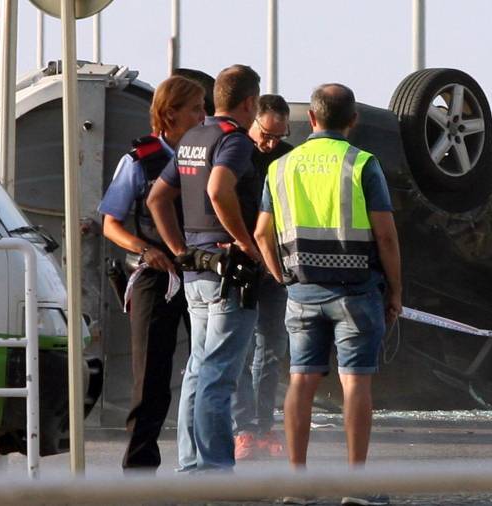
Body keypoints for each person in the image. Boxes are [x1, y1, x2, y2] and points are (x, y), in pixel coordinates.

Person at [255, 83, 401, 506]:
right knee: (355, 383)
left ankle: (296, 484)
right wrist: (396, 289)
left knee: (301, 380)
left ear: (313, 119)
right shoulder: (362, 164)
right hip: (357, 292)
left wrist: (280, 275)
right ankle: (356, 486)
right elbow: (386, 236)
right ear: (352, 121)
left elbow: (262, 233)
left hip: (302, 291)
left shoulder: (281, 166)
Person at [147, 64, 263, 472]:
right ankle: (215, 470)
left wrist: (180, 247)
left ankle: (192, 464)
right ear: (250, 103)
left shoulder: (193, 137)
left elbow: (157, 199)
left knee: (197, 369)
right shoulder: (234, 140)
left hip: (195, 270)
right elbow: (218, 189)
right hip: (228, 274)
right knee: (218, 374)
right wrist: (247, 244)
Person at [97, 75, 206, 471]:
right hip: (154, 277)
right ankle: (140, 468)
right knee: (152, 377)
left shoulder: (207, 155)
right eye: (195, 109)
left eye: (204, 107)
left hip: (201, 273)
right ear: (169, 113)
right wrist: (146, 249)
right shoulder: (139, 160)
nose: (203, 115)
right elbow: (111, 223)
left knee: (208, 368)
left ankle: (203, 462)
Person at [231, 95, 294, 460]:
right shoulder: (236, 150)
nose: (269, 143)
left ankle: (265, 424)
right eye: (265, 135)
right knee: (240, 348)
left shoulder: (287, 156)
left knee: (272, 347)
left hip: (275, 265)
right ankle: (244, 429)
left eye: (277, 136)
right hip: (241, 260)